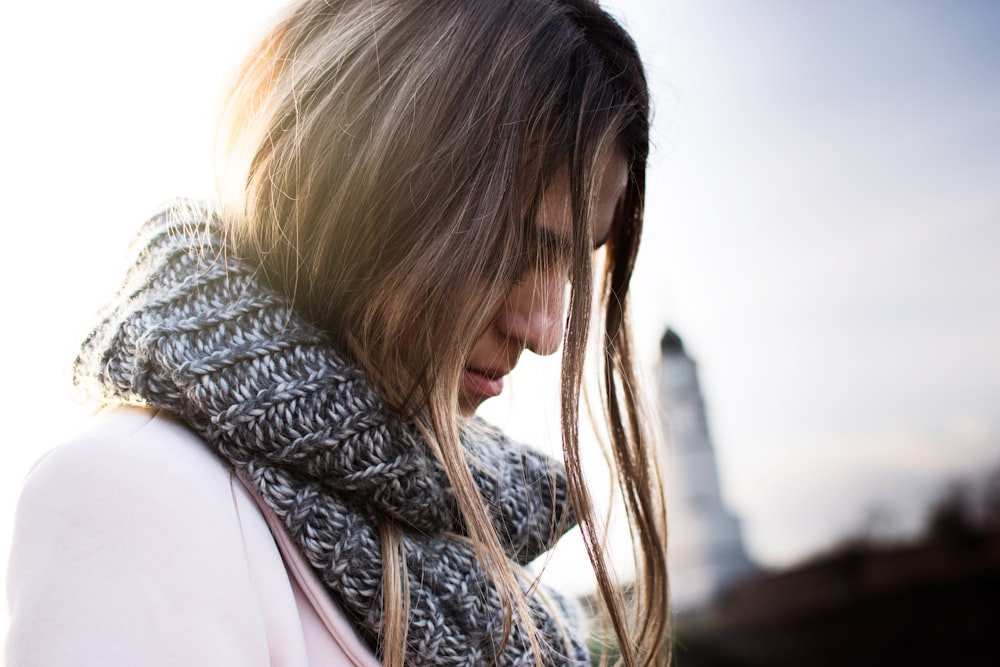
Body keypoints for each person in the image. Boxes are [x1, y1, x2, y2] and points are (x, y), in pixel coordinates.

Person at [5, 0, 669, 665]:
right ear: (362, 182)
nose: (546, 330)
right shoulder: (129, 497)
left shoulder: (483, 552)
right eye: (514, 245)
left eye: (574, 259)